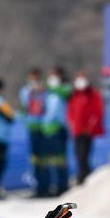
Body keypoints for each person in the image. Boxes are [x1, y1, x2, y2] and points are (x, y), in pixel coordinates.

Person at [66, 71, 104, 185]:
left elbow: (97, 111)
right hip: (77, 130)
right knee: (78, 155)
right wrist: (72, 125)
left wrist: (90, 127)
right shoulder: (74, 95)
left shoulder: (93, 94)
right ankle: (82, 174)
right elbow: (70, 112)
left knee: (84, 154)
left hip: (88, 131)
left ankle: (85, 175)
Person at [19, 68, 49, 197]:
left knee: (45, 159)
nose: (34, 81)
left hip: (43, 128)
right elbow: (24, 109)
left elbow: (48, 107)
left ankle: (46, 185)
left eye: (36, 78)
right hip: (32, 128)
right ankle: (37, 186)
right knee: (35, 159)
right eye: (32, 78)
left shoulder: (45, 92)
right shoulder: (25, 91)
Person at [42, 66, 71, 196]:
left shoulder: (64, 90)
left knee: (60, 159)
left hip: (59, 128)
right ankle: (50, 185)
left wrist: (53, 88)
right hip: (48, 129)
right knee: (49, 160)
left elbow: (66, 92)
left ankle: (63, 184)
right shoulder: (47, 93)